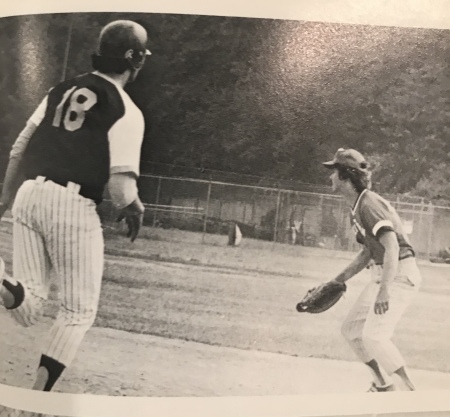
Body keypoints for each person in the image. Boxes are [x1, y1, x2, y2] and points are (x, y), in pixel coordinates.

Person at [0, 19, 150, 392]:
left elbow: (20, 146)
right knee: (78, 311)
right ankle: (37, 401)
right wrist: (134, 206)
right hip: (72, 204)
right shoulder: (126, 110)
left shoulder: (60, 89)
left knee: (30, 306)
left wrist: (4, 199)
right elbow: (119, 191)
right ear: (137, 62)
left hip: (30, 194)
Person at [322, 148, 422, 392]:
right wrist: (335, 280)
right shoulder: (357, 206)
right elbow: (367, 252)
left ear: (346, 176)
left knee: (374, 336)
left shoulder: (369, 204)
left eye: (334, 172)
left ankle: (412, 393)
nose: (330, 177)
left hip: (398, 274)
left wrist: (385, 291)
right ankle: (384, 384)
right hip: (385, 273)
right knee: (352, 330)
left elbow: (392, 248)